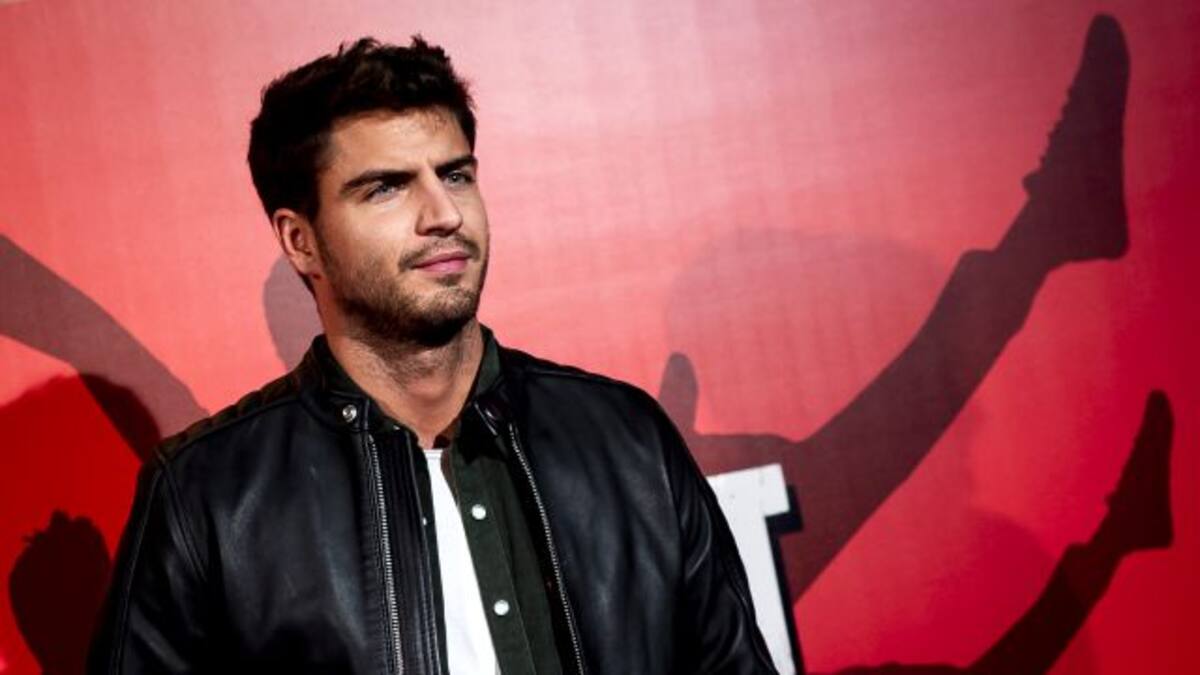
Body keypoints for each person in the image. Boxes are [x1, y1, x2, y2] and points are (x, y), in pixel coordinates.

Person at [87, 36, 777, 675]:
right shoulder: (207, 497)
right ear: (301, 241)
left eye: (455, 175)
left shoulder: (627, 438)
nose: (443, 212)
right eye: (386, 187)